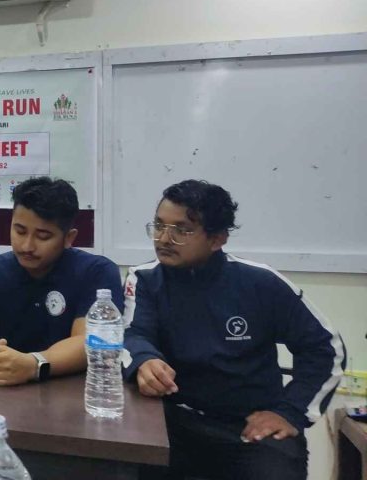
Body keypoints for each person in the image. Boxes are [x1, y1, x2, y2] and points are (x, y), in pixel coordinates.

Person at [123, 180, 346, 480]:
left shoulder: (260, 283)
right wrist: (143, 360)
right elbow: (133, 334)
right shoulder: (145, 280)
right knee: (119, 465)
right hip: (174, 420)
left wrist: (290, 412)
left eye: (182, 230)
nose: (164, 238)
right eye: (159, 225)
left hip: (247, 427)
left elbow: (325, 348)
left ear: (217, 239)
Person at [0, 177, 123, 385]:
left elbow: (89, 342)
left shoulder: (97, 272)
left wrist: (34, 364)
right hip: (6, 387)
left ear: (69, 238)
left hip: (74, 390)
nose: (27, 246)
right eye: (20, 231)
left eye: (43, 236)